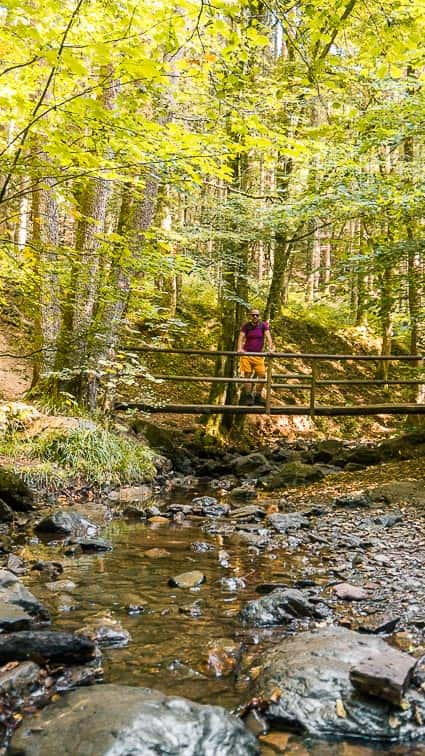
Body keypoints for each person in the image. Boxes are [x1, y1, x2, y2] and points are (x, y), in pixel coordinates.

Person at [237, 308, 274, 405]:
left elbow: (269, 338)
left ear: (259, 316)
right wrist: (239, 348)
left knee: (262, 376)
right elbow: (241, 337)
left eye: (257, 315)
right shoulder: (246, 326)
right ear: (250, 316)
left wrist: (271, 348)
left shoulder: (263, 326)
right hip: (247, 354)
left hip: (258, 355)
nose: (255, 317)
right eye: (253, 315)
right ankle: (249, 396)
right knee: (247, 376)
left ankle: (258, 396)